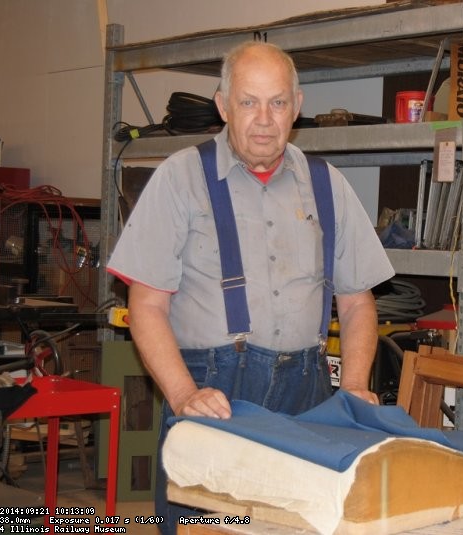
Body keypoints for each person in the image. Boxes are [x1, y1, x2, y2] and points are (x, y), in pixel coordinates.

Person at [107, 40, 395, 533]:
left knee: (302, 523)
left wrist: (351, 387)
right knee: (204, 528)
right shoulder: (180, 179)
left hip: (305, 391)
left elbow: (355, 302)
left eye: (277, 102)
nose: (264, 119)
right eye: (248, 102)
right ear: (223, 106)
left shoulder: (327, 185)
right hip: (214, 393)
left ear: (297, 108)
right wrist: (182, 396)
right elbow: (146, 305)